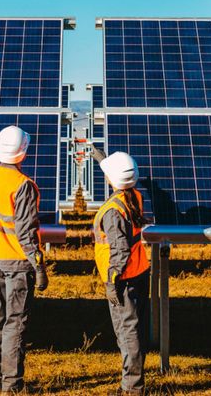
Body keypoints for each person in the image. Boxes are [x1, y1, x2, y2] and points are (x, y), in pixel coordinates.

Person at [0, 125, 48, 394]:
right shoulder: (23, 185)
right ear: (23, 153)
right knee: (14, 324)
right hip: (17, 264)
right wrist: (39, 266)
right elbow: (26, 232)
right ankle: (12, 384)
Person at [91, 146, 150, 396]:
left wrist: (111, 281)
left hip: (122, 278)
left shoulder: (113, 211)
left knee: (127, 332)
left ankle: (132, 388)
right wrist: (103, 159)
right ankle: (132, 383)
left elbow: (120, 249)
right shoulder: (133, 196)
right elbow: (120, 177)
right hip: (138, 271)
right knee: (134, 328)